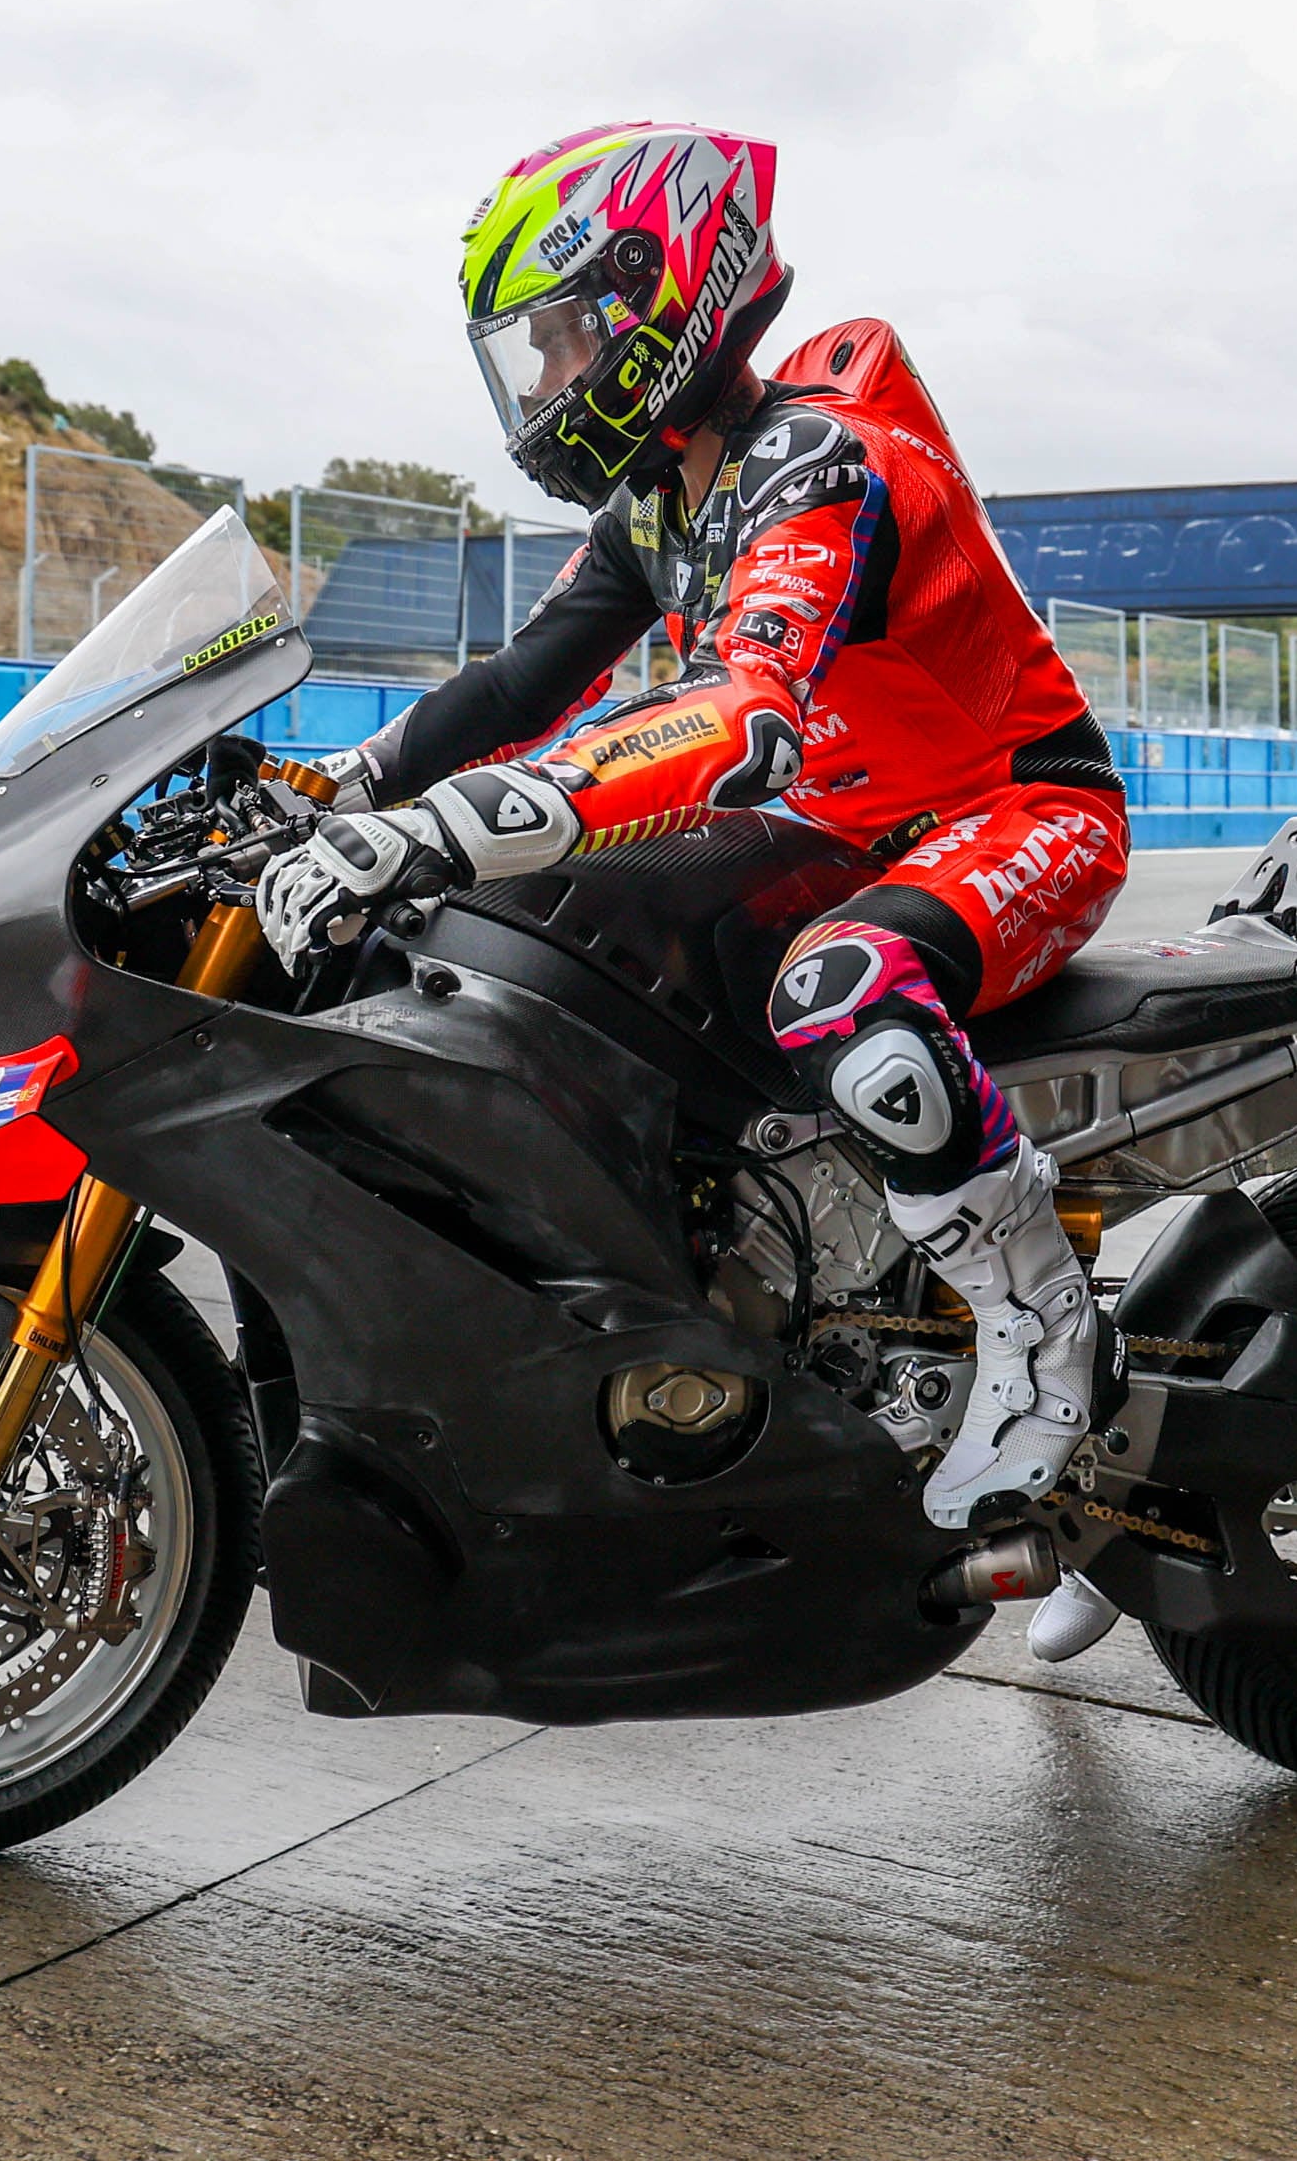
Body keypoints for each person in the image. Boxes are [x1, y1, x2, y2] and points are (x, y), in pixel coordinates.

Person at [258, 124, 1130, 1537]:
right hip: (860, 831)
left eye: (556, 341)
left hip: (1016, 806)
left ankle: (1042, 1336)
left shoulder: (815, 463)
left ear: (656, 302)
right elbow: (514, 684)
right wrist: (332, 790)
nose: (540, 383)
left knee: (844, 988)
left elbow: (745, 715)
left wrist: (440, 830)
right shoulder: (662, 500)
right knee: (577, 938)